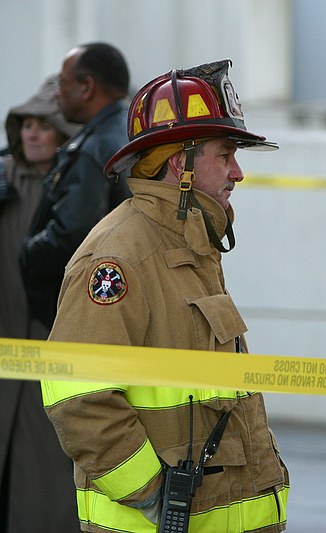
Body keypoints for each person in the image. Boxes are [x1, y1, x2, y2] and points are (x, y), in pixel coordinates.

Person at [40, 59, 289, 532]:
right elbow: (77, 394)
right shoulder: (119, 259)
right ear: (182, 163)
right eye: (224, 154)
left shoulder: (192, 245)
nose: (238, 172)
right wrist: (152, 496)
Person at [0, 76, 83, 533]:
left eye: (43, 125)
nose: (32, 133)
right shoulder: (3, 178)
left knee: (43, 474)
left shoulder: (77, 189)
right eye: (26, 124)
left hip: (50, 348)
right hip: (7, 338)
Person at [20, 42, 131, 340]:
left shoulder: (95, 149)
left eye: (63, 83)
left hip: (86, 310)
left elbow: (72, 234)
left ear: (86, 87)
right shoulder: (129, 132)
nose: (58, 93)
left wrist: (27, 253)